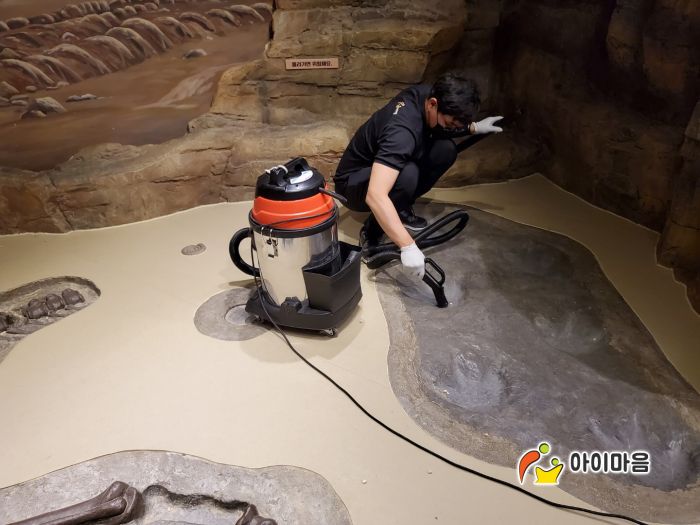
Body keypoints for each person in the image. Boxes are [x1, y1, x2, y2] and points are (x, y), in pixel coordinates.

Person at [332, 72, 503, 278]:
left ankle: (400, 205)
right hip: (352, 185)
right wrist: (407, 246)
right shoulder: (401, 131)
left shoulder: (428, 95)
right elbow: (375, 194)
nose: (450, 128)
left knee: (446, 150)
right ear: (433, 104)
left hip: (378, 168)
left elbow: (439, 129)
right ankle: (372, 233)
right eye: (449, 124)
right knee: (408, 175)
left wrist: (473, 128)